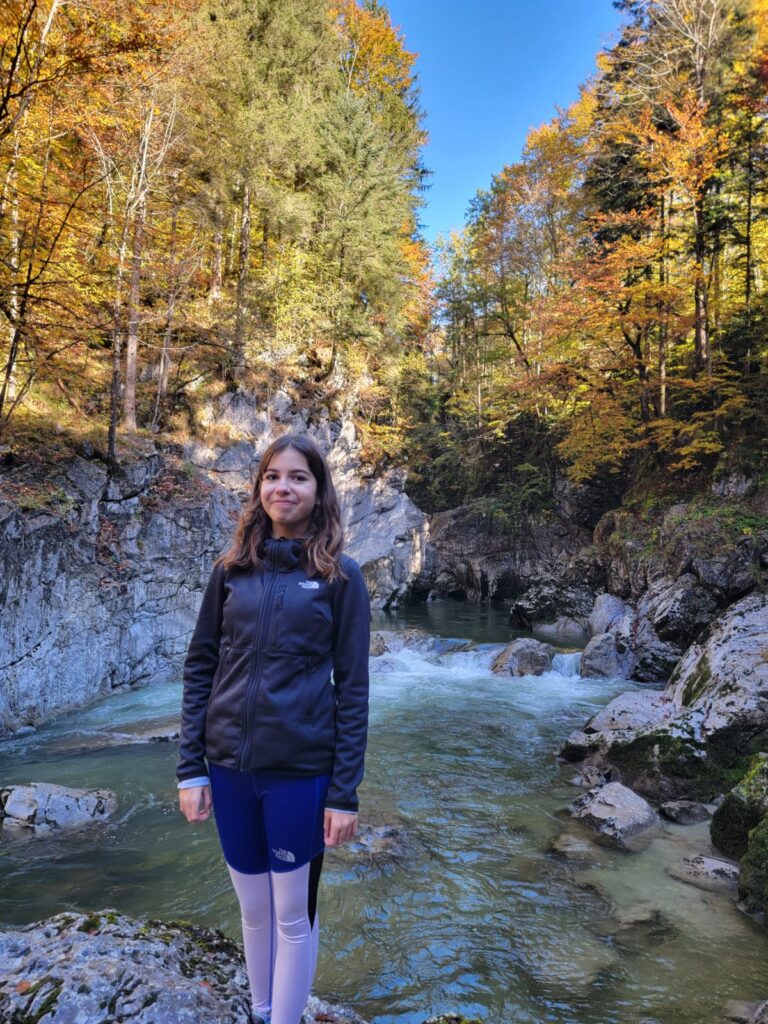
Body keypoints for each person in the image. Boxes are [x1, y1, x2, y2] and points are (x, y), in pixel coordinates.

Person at [176, 433, 371, 1024]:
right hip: (228, 768)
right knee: (253, 912)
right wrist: (190, 769)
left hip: (300, 771)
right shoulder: (231, 571)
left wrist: (343, 793)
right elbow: (200, 666)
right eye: (272, 476)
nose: (283, 487)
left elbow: (353, 689)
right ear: (259, 488)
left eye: (298, 477)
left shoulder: (340, 577)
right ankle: (259, 1010)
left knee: (292, 915)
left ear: (319, 490)